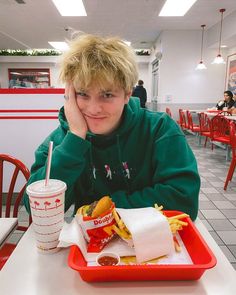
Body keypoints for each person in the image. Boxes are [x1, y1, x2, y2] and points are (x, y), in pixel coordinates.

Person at [23, 33, 200, 220]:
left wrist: (101, 209)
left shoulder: (159, 129)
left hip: (154, 243)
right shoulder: (58, 142)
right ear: (69, 95)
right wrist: (75, 139)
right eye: (82, 94)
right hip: (90, 244)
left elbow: (184, 200)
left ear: (127, 94)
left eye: (107, 95)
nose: (93, 109)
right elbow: (37, 210)